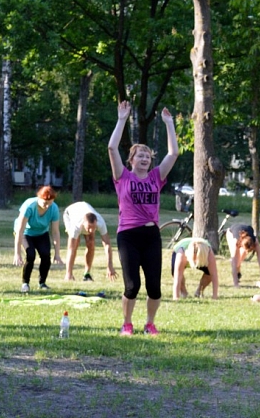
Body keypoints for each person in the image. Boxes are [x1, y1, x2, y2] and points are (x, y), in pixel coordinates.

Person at [109, 100, 179, 336]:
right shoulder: (123, 176)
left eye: (148, 156)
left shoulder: (156, 177)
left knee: (154, 287)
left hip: (151, 235)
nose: (145, 158)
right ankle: (126, 323)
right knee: (132, 286)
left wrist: (169, 123)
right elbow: (111, 148)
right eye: (140, 155)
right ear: (132, 160)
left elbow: (174, 153)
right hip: (128, 235)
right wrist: (121, 120)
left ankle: (150, 323)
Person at [13, 185, 63, 292]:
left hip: (41, 233)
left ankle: (42, 283)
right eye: (45, 203)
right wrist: (17, 254)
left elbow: (55, 232)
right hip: (26, 233)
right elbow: (20, 231)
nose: (47, 206)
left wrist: (57, 254)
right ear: (39, 198)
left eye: (50, 203)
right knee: (30, 255)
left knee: (45, 255)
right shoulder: (29, 206)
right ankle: (25, 284)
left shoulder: (54, 208)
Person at [62, 201, 117, 282]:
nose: (91, 230)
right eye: (89, 227)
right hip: (69, 214)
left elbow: (107, 244)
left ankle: (87, 274)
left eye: (94, 227)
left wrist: (110, 265)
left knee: (91, 243)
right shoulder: (76, 226)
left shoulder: (100, 222)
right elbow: (70, 249)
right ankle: (69, 274)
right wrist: (68, 274)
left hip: (84, 209)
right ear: (83, 223)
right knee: (75, 244)